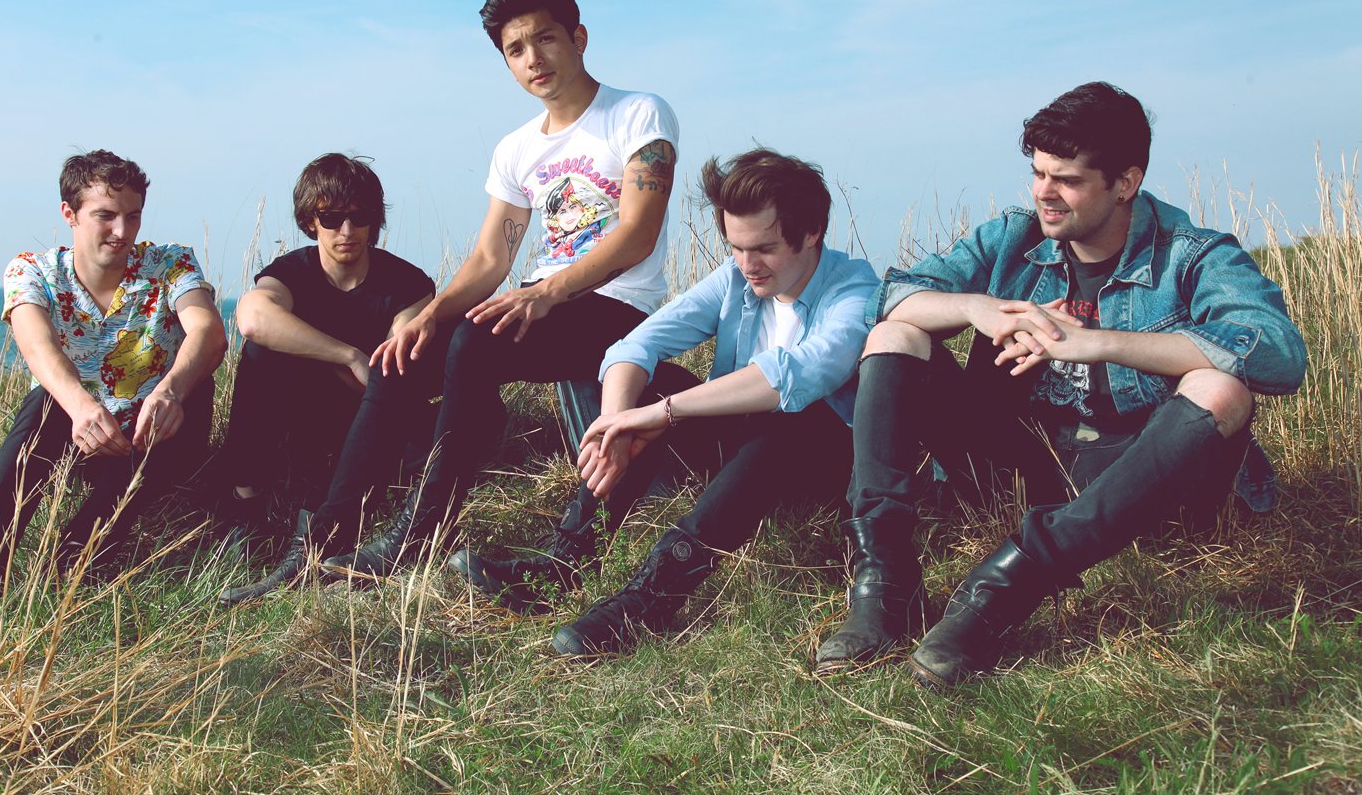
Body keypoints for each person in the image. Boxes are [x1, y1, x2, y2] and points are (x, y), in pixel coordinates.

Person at [817, 81, 1307, 686]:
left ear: (1124, 183)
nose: (1044, 193)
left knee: (1222, 389)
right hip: (1020, 463)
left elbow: (1279, 353)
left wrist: (1097, 341)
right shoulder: (1012, 237)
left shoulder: (1193, 256)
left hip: (1133, 477)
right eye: (1038, 172)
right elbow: (891, 297)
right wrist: (977, 308)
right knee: (895, 334)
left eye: (1067, 180)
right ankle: (884, 582)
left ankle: (1009, 584)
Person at [225, 0, 679, 598]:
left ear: (578, 38)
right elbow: (492, 257)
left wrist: (545, 292)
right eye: (515, 49)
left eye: (545, 39)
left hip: (615, 305)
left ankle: (421, 532)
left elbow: (638, 234)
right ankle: (323, 540)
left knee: (474, 340)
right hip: (537, 308)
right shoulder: (516, 148)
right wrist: (428, 317)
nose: (533, 58)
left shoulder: (637, 113)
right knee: (399, 355)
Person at [451, 149, 879, 657]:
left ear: (811, 232)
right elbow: (636, 345)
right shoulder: (737, 277)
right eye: (736, 247)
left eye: (764, 248)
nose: (748, 264)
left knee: (784, 421)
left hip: (816, 464)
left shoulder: (855, 288)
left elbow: (798, 374)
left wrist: (664, 412)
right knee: (646, 389)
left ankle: (651, 597)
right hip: (736, 455)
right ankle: (563, 563)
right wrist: (616, 424)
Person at [0, 150, 227, 623]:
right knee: (41, 407)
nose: (122, 231)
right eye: (105, 215)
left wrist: (170, 390)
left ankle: (75, 557)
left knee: (195, 389)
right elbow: (35, 345)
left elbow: (209, 332)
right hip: (79, 428)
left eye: (132, 216)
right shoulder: (32, 271)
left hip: (158, 430)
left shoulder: (170, 263)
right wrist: (80, 406)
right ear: (69, 214)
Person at [214, 154, 434, 604]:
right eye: (331, 218)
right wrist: (347, 356)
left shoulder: (408, 284)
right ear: (310, 221)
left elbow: (389, 373)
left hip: (374, 424)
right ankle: (246, 506)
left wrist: (341, 363)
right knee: (259, 354)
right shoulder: (290, 273)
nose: (346, 230)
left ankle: (315, 543)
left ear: (374, 220)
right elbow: (253, 319)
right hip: (299, 415)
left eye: (359, 217)